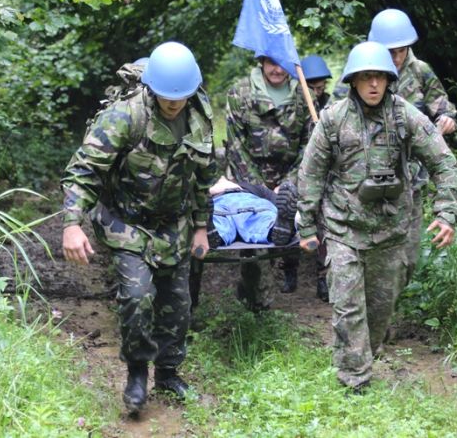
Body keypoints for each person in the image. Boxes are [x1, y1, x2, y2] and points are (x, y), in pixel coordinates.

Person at [61, 42, 216, 413]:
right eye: (166, 96)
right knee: (137, 297)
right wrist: (71, 223)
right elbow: (84, 171)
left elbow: (202, 176)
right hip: (126, 223)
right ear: (152, 87)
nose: (173, 103)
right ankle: (136, 372)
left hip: (174, 224)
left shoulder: (198, 116)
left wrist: (201, 226)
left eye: (180, 96)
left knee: (177, 304)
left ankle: (168, 373)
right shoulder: (124, 116)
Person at [297, 41, 457, 392]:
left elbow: (443, 162)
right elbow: (311, 174)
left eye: (380, 77)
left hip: (391, 231)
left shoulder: (405, 116)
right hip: (343, 229)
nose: (373, 84)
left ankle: (363, 357)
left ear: (389, 80)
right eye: (366, 76)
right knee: (348, 307)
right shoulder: (333, 119)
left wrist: (447, 212)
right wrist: (307, 225)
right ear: (353, 80)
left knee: (379, 312)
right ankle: (354, 381)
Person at [368, 8, 457, 283]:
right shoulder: (364, 70)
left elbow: (443, 107)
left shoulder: (420, 71)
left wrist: (446, 120)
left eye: (400, 51)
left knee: (407, 257)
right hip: (368, 176)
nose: (396, 58)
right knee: (371, 250)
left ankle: (392, 298)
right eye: (389, 52)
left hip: (410, 177)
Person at [225, 54, 310, 308]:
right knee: (255, 242)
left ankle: (289, 276)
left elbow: (310, 146)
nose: (277, 69)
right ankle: (257, 302)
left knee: (287, 233)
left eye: (282, 63)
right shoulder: (240, 92)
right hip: (251, 179)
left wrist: (288, 183)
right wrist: (259, 188)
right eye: (271, 62)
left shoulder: (304, 94)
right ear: (261, 61)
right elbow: (235, 145)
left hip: (291, 179)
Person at [300, 54, 333, 302]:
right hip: (302, 174)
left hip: (327, 176)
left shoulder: (331, 106)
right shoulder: (294, 108)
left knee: (324, 228)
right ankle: (288, 269)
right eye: (312, 87)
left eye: (320, 88)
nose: (317, 92)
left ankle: (323, 277)